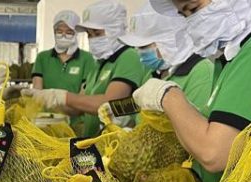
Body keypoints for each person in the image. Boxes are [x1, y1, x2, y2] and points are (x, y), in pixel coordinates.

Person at [131, 0, 251, 182]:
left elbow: (213, 154)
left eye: (193, 9)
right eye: (185, 15)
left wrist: (168, 96)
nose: (191, 23)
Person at [23, 0, 151, 137]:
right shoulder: (99, 64)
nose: (92, 39)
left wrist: (61, 96)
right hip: (94, 139)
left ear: (115, 30)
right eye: (89, 34)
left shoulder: (129, 57)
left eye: (97, 33)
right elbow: (78, 108)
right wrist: (43, 98)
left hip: (116, 142)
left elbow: (108, 104)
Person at [118, 3, 214, 116]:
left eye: (143, 47)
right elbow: (140, 103)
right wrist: (115, 109)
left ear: (168, 42)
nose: (139, 52)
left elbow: (194, 120)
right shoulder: (155, 71)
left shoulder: (201, 72)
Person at [31, 10, 96, 95]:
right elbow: (37, 90)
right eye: (59, 32)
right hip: (46, 104)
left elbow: (84, 93)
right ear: (54, 32)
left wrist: (64, 101)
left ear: (76, 34)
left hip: (75, 104)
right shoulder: (42, 57)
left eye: (69, 32)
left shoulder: (86, 58)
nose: (63, 36)